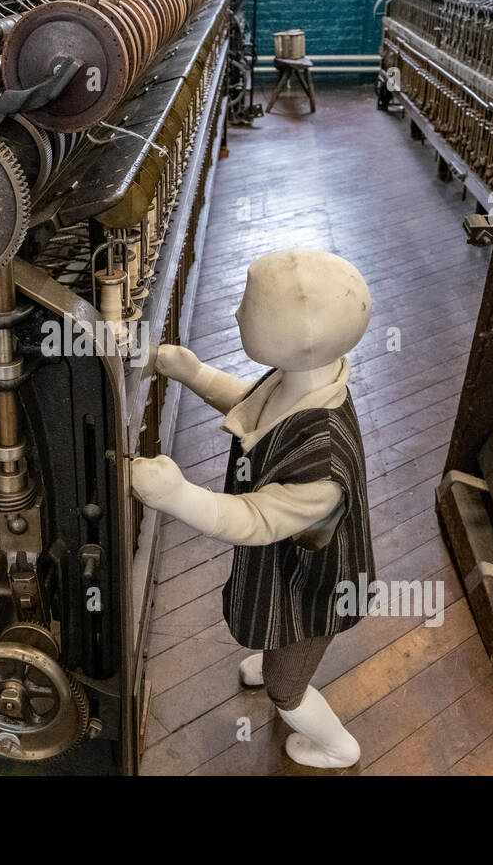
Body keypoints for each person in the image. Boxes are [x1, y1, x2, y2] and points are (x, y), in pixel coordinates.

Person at [131, 248, 374, 768]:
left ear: (292, 335)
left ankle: (337, 746)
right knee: (276, 627)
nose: (238, 314)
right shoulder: (307, 376)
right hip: (291, 563)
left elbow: (260, 520)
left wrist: (177, 496)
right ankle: (276, 650)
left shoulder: (323, 464)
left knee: (288, 690)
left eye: (249, 307)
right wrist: (193, 373)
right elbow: (251, 404)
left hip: (316, 587)